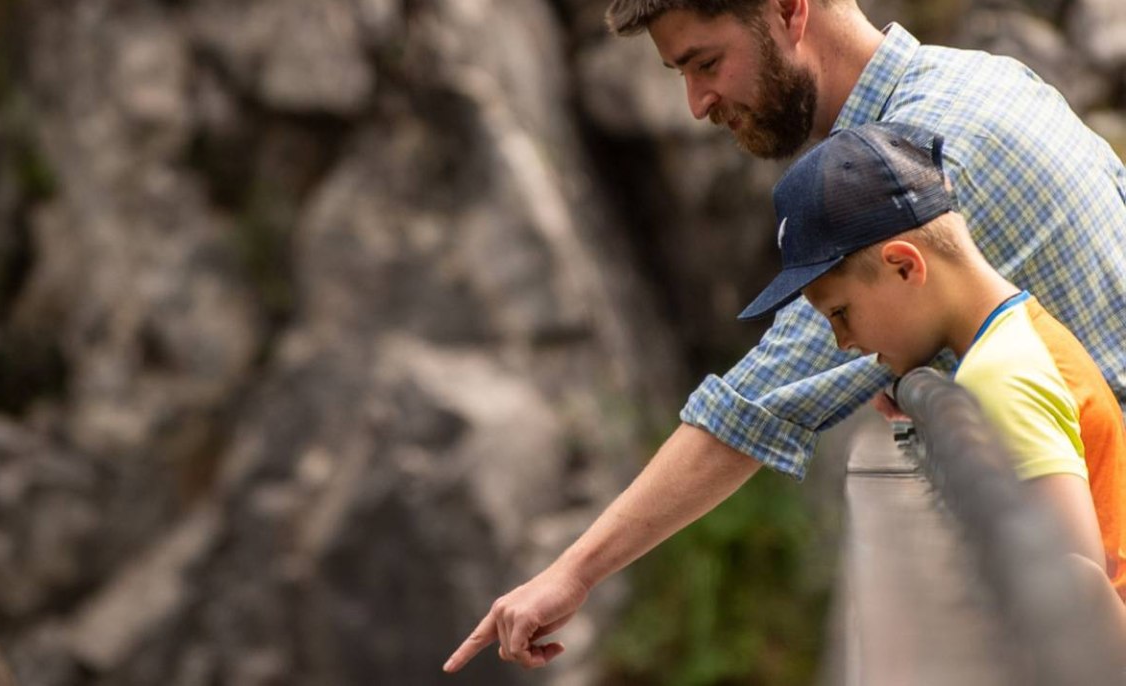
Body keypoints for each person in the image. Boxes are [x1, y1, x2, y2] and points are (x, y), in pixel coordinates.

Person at [443, 0, 1126, 673]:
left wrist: (571, 574)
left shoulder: (920, 159)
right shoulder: (986, 79)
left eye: (705, 63)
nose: (697, 103)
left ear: (790, 11)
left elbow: (756, 406)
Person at [741, 121, 1126, 627]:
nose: (843, 341)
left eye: (840, 313)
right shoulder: (1020, 333)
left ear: (904, 266)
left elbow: (1078, 596)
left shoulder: (1000, 376)